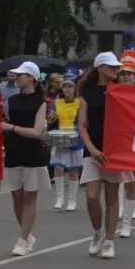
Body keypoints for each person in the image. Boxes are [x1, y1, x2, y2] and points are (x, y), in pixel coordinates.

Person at [76, 51, 125, 258]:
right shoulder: (87, 91)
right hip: (92, 149)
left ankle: (109, 241)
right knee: (92, 197)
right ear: (100, 68)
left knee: (112, 198)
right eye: (112, 66)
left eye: (117, 67)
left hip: (114, 149)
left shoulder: (121, 91)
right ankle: (98, 232)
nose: (116, 70)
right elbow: (81, 125)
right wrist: (93, 149)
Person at [1, 62, 51, 256]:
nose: (17, 77)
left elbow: (37, 132)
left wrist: (12, 128)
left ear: (32, 78)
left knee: (30, 197)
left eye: (22, 75)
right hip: (13, 151)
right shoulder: (11, 100)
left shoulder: (40, 102)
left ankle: (22, 240)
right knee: (16, 197)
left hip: (32, 153)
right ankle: (27, 235)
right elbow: (4, 122)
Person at [114, 49, 135, 238]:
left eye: (130, 74)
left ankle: (127, 221)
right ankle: (119, 209)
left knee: (132, 179)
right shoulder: (111, 91)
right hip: (117, 138)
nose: (126, 77)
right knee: (117, 178)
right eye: (123, 74)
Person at [49, 68, 84, 212]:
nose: (67, 89)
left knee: (73, 171)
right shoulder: (58, 102)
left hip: (75, 137)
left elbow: (84, 121)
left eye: (70, 86)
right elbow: (52, 118)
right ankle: (59, 198)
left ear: (75, 88)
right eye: (65, 86)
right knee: (58, 168)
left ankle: (72, 200)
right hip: (60, 137)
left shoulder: (80, 102)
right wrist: (51, 114)